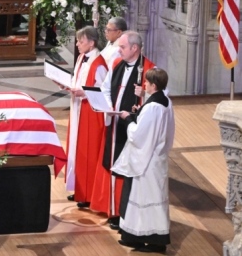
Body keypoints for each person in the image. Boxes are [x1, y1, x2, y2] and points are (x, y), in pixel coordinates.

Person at [91, 30, 155, 229]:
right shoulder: (117, 64)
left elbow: (160, 101)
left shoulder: (150, 69)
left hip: (133, 127)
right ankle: (113, 209)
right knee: (112, 163)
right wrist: (109, 108)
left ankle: (124, 213)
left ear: (135, 48)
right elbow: (105, 88)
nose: (118, 50)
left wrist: (143, 95)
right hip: (115, 122)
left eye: (122, 47)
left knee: (126, 169)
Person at [113, 67, 175, 254]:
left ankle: (151, 240)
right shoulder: (165, 102)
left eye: (147, 82)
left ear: (154, 85)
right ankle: (139, 237)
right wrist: (139, 113)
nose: (144, 84)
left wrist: (128, 119)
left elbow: (139, 135)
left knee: (144, 198)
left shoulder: (154, 106)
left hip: (147, 162)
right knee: (147, 198)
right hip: (156, 159)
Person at [62, 26, 109, 207]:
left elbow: (105, 92)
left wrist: (85, 93)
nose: (77, 44)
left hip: (90, 114)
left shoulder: (99, 64)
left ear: (91, 42)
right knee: (76, 150)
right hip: (78, 110)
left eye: (80, 41)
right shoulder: (82, 57)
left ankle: (88, 194)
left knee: (87, 153)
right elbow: (78, 79)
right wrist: (66, 84)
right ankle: (79, 189)